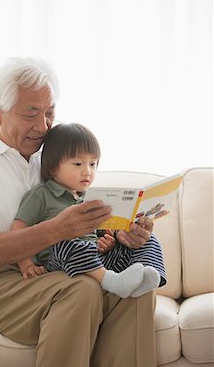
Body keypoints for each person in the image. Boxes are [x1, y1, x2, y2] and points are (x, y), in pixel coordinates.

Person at [0, 56, 159, 367]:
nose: (43, 125)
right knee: (81, 292)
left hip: (54, 269)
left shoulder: (51, 155)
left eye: (50, 113)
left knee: (136, 286)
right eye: (31, 114)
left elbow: (81, 221)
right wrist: (57, 229)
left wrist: (124, 233)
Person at [13, 122, 166, 299]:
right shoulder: (41, 195)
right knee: (65, 242)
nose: (87, 172)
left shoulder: (92, 198)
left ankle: (144, 280)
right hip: (61, 263)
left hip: (99, 261)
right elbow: (18, 229)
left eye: (93, 164)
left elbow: (102, 233)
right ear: (53, 167)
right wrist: (26, 265)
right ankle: (112, 282)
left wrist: (109, 241)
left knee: (147, 238)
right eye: (78, 164)